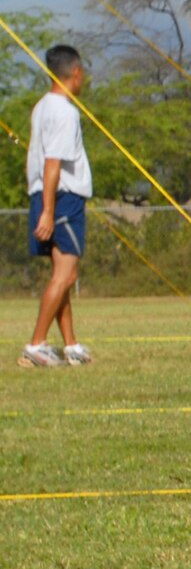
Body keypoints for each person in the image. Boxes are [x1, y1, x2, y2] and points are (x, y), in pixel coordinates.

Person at [20, 44, 93, 369]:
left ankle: (72, 345)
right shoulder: (64, 110)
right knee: (65, 274)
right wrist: (49, 210)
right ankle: (36, 344)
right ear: (74, 73)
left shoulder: (41, 107)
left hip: (47, 196)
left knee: (63, 274)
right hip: (62, 198)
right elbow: (53, 163)